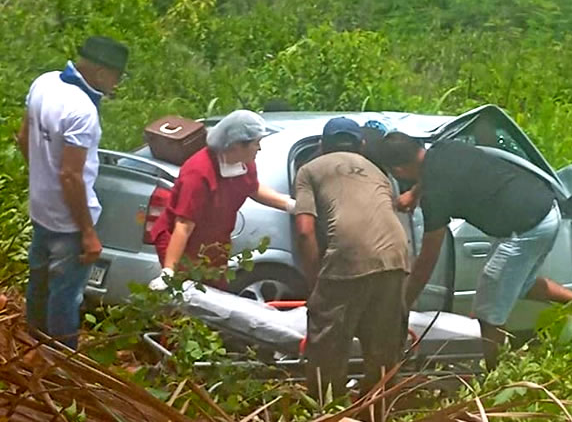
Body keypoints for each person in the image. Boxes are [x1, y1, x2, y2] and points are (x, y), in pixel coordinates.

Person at [375, 132, 572, 370]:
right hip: (544, 208)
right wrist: (414, 194)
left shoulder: (435, 195)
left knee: (487, 312)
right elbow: (433, 173)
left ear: (399, 171)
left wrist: (404, 304)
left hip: (527, 227)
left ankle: (492, 374)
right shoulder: (444, 148)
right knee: (516, 284)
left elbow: (427, 259)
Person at [16, 36, 129, 349]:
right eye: (117, 77)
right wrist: (89, 232)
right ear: (102, 72)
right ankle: (61, 364)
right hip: (68, 221)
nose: (116, 85)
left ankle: (32, 347)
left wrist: (41, 177)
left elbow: (24, 137)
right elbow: (70, 174)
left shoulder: (45, 83)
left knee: (38, 283)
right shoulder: (82, 110)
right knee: (66, 295)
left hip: (40, 208)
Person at [294, 117, 410, 404]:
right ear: (361, 145)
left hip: (350, 255)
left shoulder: (309, 170)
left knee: (327, 346)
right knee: (382, 347)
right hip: (396, 255)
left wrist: (314, 283)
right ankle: (376, 408)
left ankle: (328, 408)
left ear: (322, 146)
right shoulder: (379, 172)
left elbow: (305, 231)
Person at [148, 110, 295, 290]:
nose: (259, 148)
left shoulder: (243, 163)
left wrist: (289, 204)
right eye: (256, 143)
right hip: (182, 245)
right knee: (183, 299)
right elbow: (183, 226)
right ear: (235, 145)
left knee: (215, 297)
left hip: (214, 245)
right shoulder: (198, 173)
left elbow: (253, 189)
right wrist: (169, 272)